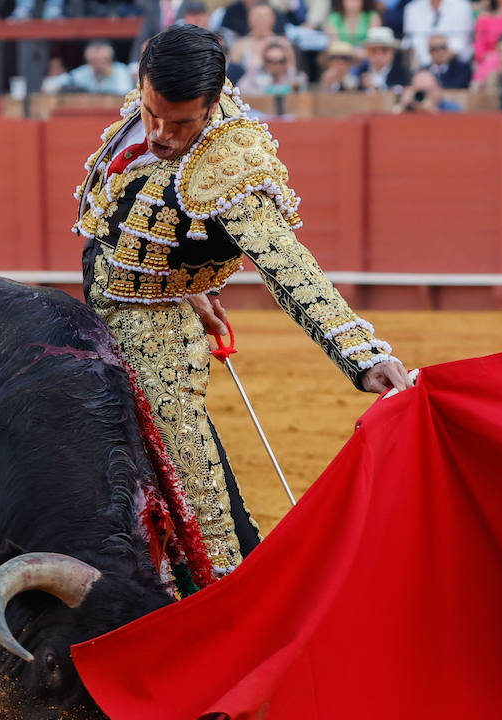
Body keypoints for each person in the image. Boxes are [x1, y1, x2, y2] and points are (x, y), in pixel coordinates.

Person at [74, 23, 411, 591]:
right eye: (153, 113)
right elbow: (133, 216)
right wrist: (185, 276)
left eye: (180, 124)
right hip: (104, 300)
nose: (159, 133)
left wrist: (361, 353)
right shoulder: (159, 99)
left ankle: (219, 595)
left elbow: (289, 268)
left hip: (155, 332)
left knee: (185, 478)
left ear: (211, 104)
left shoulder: (232, 165)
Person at [47, 40, 135, 94]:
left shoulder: (121, 72)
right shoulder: (84, 72)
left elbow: (123, 92)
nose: (98, 65)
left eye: (103, 61)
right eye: (94, 61)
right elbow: (51, 84)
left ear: (110, 61)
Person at [402, 0, 475, 65]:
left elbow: (461, 44)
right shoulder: (412, 8)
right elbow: (409, 42)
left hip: (455, 66)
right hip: (421, 67)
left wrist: (439, 57)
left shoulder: (463, 6)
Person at [239, 36, 309, 93]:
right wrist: (262, 90)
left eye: (280, 61)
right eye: (270, 61)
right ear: (264, 61)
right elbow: (242, 90)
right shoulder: (254, 73)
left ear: (285, 62)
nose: (275, 65)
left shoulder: (296, 75)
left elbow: (302, 92)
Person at [360, 24, 412, 88]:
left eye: (384, 50)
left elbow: (401, 91)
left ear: (392, 52)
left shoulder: (402, 73)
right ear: (367, 52)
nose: (379, 55)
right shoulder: (361, 73)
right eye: (374, 51)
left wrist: (377, 87)